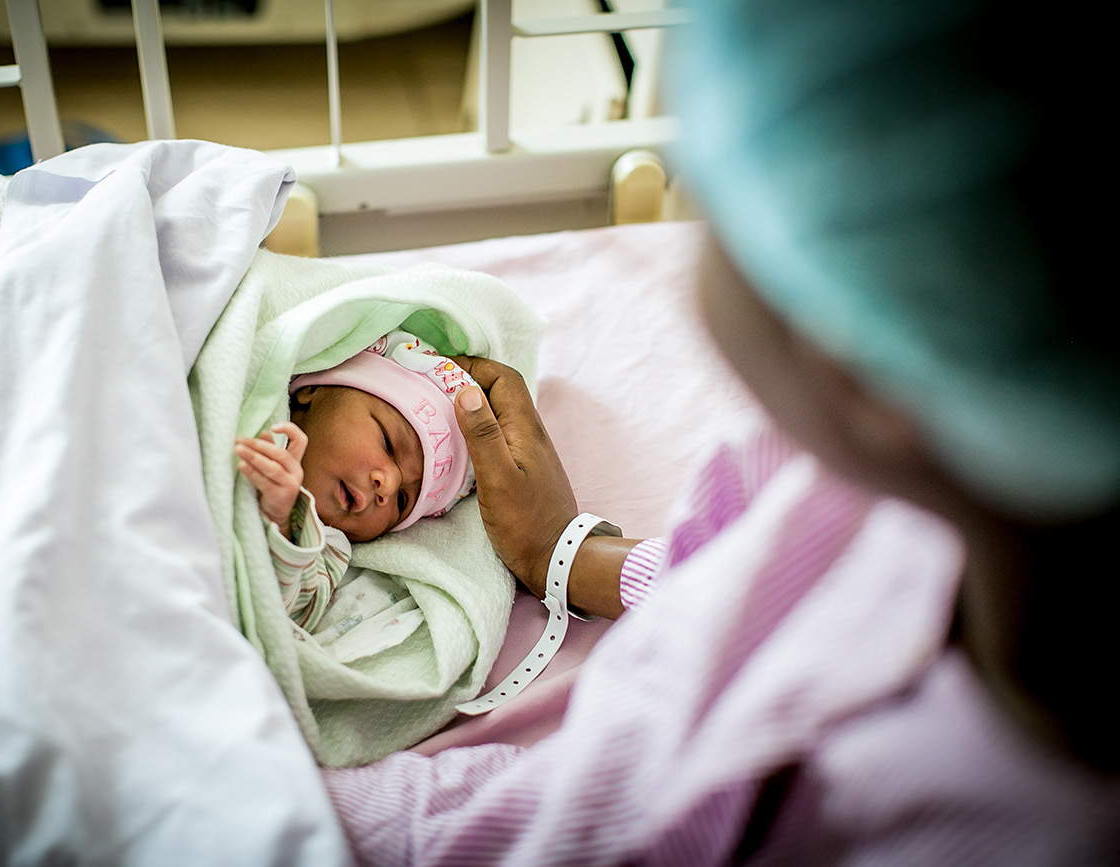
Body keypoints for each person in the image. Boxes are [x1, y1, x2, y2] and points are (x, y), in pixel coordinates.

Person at [318, 0, 1120, 863]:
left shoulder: (865, 810)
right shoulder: (901, 487)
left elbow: (534, 823)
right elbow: (745, 574)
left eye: (715, 204)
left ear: (853, 358)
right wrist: (571, 554)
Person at [233, 330, 478, 630]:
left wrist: (281, 519)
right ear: (313, 390)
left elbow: (290, 612)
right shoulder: (247, 384)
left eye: (403, 501)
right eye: (388, 444)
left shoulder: (329, 545)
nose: (387, 486)